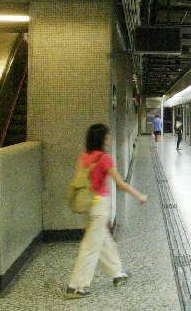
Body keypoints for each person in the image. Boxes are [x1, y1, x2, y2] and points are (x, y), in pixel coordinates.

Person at [66, 123, 148, 298]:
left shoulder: (83, 157)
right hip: (100, 204)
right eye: (107, 136)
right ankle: (76, 286)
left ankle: (117, 273)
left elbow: (80, 180)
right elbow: (120, 183)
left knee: (103, 240)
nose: (109, 138)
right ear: (102, 139)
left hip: (88, 203)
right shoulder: (104, 158)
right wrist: (139, 195)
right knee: (90, 246)